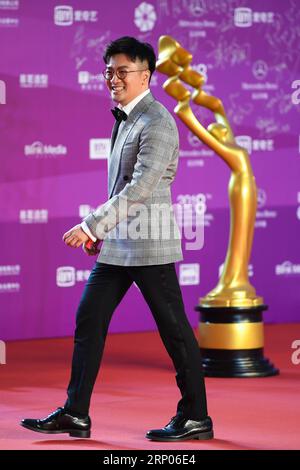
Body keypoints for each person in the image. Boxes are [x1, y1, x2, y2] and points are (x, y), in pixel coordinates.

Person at [20, 36, 213, 442]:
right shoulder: (125, 117)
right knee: (89, 318)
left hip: (150, 245)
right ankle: (75, 412)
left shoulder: (157, 121)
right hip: (120, 245)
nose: (113, 78)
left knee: (175, 332)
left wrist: (91, 225)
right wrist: (103, 234)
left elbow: (140, 188)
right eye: (109, 71)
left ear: (145, 75)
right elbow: (121, 190)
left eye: (122, 71)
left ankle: (196, 416)